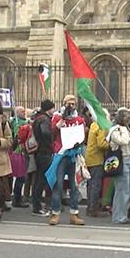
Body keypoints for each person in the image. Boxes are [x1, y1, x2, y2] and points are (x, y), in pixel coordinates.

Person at [48, 95, 86, 226]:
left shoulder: (79, 119)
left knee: (74, 185)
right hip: (61, 154)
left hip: (73, 155)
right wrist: (59, 123)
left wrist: (79, 143)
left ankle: (74, 214)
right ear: (64, 104)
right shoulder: (58, 117)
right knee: (58, 185)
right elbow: (51, 132)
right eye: (68, 104)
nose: (71, 106)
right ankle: (55, 213)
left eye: (73, 104)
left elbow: (82, 135)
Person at [109, 108, 130, 224]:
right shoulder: (115, 130)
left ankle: (123, 214)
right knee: (122, 190)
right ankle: (119, 217)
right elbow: (124, 141)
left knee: (129, 190)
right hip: (121, 160)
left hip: (129, 159)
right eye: (126, 117)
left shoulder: (126, 129)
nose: (128, 119)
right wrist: (124, 130)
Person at [31, 99, 56, 216]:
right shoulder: (44, 119)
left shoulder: (38, 117)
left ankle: (36, 204)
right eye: (52, 108)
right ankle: (37, 206)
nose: (54, 110)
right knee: (42, 179)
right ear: (48, 109)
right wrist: (54, 131)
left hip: (39, 151)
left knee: (38, 179)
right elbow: (46, 133)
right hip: (44, 151)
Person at [85, 109, 110, 217]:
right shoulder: (101, 126)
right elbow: (101, 144)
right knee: (96, 184)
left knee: (90, 184)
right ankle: (93, 209)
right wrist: (111, 144)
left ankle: (90, 206)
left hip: (90, 157)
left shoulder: (93, 124)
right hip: (97, 158)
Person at [9, 105, 30, 208]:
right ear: (17, 113)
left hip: (19, 151)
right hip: (19, 152)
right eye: (21, 112)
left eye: (24, 111)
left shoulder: (19, 122)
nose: (24, 113)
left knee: (21, 176)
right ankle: (17, 198)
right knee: (21, 176)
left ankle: (16, 197)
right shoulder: (18, 123)